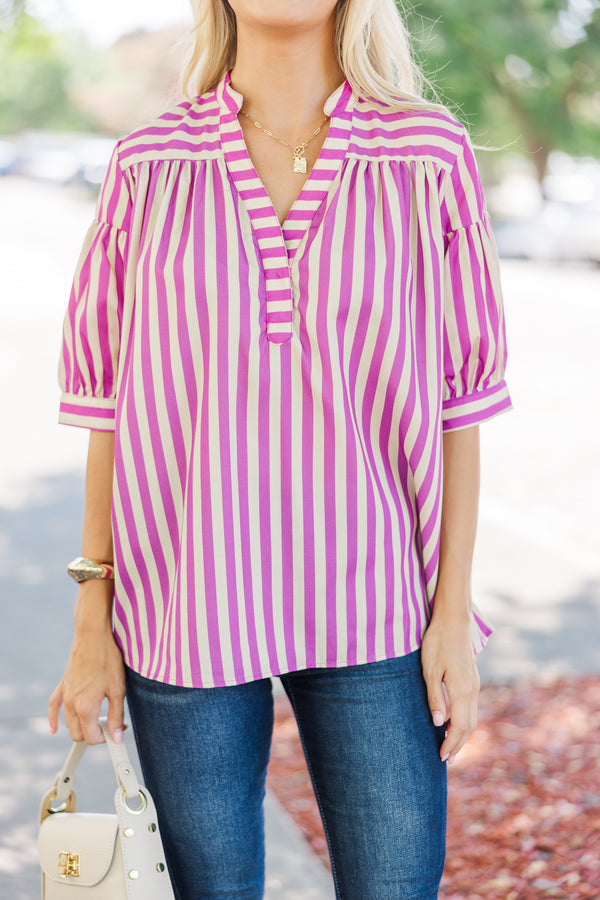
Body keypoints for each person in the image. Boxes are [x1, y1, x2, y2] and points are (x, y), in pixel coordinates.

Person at [48, 1, 511, 897]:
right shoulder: (150, 163)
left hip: (377, 611)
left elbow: (463, 403)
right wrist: (89, 617)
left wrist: (452, 609)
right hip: (181, 609)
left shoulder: (427, 154)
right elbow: (109, 404)